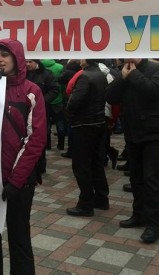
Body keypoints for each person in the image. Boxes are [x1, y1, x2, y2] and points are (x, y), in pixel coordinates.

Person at [0, 39, 46, 275]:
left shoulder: (31, 91)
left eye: (5, 54)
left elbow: (35, 139)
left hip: (20, 182)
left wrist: (15, 181)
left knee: (19, 238)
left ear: (17, 58)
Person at [105, 58, 159, 244]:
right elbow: (110, 96)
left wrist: (133, 75)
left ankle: (154, 224)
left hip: (154, 133)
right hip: (133, 132)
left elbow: (155, 92)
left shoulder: (156, 69)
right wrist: (122, 78)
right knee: (136, 177)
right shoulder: (124, 70)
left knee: (151, 179)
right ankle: (139, 214)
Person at [65, 59, 109, 217]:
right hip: (99, 122)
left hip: (84, 124)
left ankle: (85, 204)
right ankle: (101, 198)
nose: (79, 59)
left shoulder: (85, 76)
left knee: (81, 166)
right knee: (96, 163)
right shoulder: (100, 74)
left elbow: (75, 101)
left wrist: (69, 114)